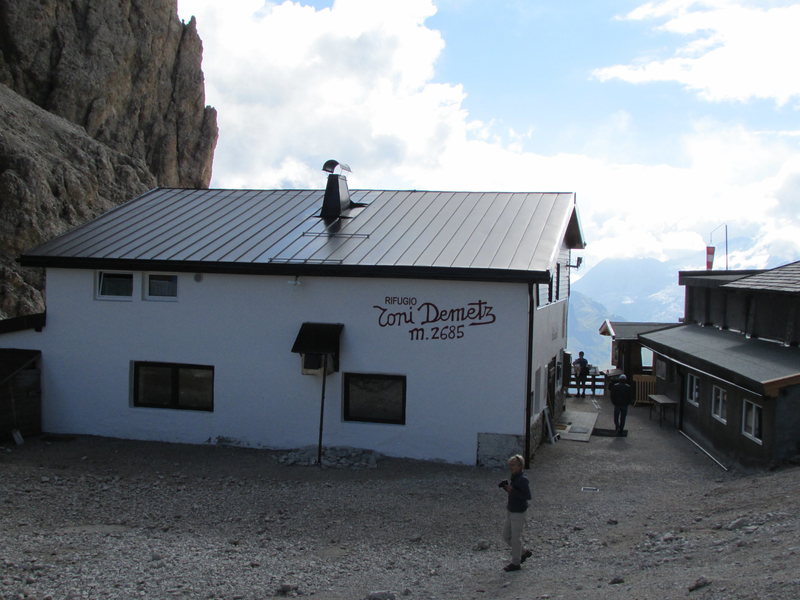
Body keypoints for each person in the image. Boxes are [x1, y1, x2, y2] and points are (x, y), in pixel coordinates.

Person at [499, 454, 532, 572]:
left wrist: (512, 490)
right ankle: (523, 552)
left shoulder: (522, 479)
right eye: (510, 465)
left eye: (513, 465)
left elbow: (527, 496)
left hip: (518, 512)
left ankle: (516, 563)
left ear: (520, 466)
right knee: (506, 536)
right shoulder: (515, 477)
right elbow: (515, 494)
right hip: (511, 510)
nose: (511, 467)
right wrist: (508, 489)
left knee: (515, 538)